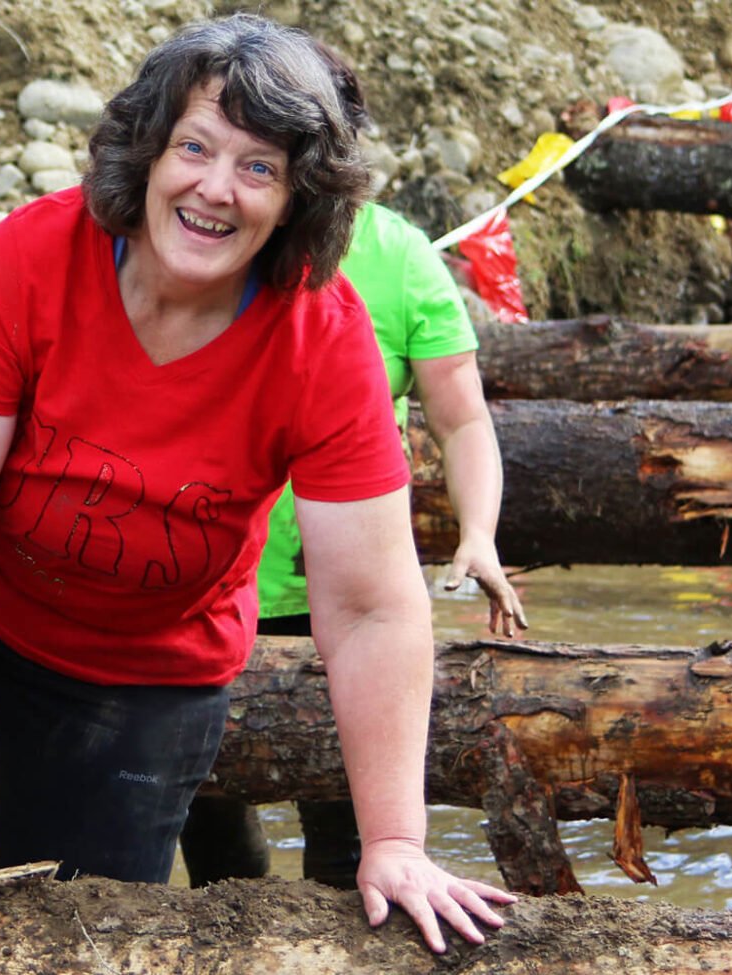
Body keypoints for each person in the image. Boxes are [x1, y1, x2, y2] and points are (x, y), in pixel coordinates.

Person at [0, 14, 515, 954]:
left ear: (300, 198)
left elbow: (372, 605)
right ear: (149, 150)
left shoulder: (322, 339)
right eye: (196, 147)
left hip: (132, 662)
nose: (216, 188)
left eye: (259, 167)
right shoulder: (37, 253)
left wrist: (396, 840)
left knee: (67, 941)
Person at [182, 41, 528, 891]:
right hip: (195, 588)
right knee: (215, 844)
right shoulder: (203, 235)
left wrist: (479, 533)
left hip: (346, 602)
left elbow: (463, 417)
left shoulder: (401, 258)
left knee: (351, 847)